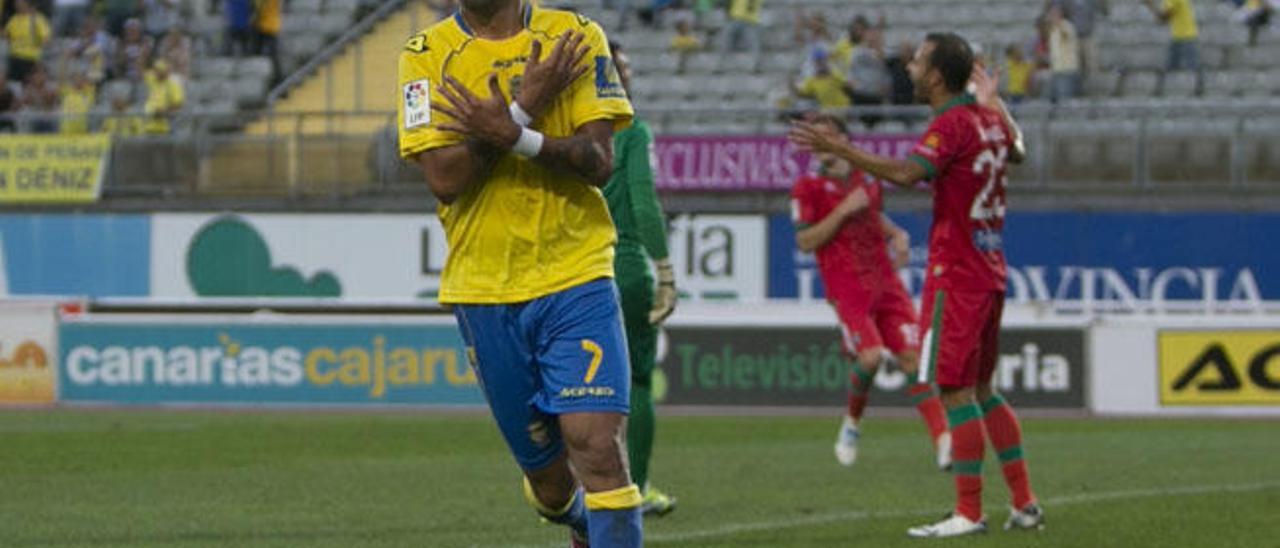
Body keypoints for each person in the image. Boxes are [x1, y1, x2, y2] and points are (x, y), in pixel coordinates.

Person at [397, 1, 641, 546]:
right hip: (484, 289)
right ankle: (581, 522)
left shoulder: (575, 36)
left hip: (576, 272)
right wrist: (525, 106)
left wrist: (512, 135)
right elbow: (445, 179)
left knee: (599, 450)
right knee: (552, 487)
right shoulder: (423, 56)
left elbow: (600, 162)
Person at [789, 32, 1043, 538]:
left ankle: (969, 512)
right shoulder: (988, 119)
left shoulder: (950, 124)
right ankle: (1024, 502)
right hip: (990, 269)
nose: (910, 68)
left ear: (937, 75)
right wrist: (999, 105)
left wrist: (842, 148)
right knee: (985, 389)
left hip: (959, 273)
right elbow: (1018, 151)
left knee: (952, 390)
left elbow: (908, 173)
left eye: (920, 61)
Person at [789, 112, 949, 470]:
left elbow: (871, 214)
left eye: (826, 136)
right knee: (871, 357)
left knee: (913, 359)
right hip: (847, 288)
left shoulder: (867, 181)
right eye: (815, 139)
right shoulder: (807, 188)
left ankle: (942, 438)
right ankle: (852, 423)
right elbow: (804, 241)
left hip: (885, 282)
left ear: (843, 140)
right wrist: (843, 210)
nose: (820, 145)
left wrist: (896, 234)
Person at [602, 40, 680, 519]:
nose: (628, 73)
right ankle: (638, 486)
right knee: (636, 380)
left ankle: (566, 488)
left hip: (568, 267)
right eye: (621, 66)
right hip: (623, 263)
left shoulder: (556, 128)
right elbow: (644, 200)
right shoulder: (630, 132)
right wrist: (665, 269)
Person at [4, 0, 52, 84]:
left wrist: (37, 47)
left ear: (27, 4)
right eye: (17, 4)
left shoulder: (37, 19)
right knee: (13, 83)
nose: (18, 6)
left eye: (20, 4)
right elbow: (7, 35)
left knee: (28, 84)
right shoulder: (14, 19)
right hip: (14, 57)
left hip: (30, 58)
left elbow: (46, 39)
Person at [1144, 0, 1200, 71]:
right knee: (1173, 71)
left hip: (1186, 38)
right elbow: (1163, 18)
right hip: (1179, 37)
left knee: (1190, 71)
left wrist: (1150, 5)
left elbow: (1163, 18)